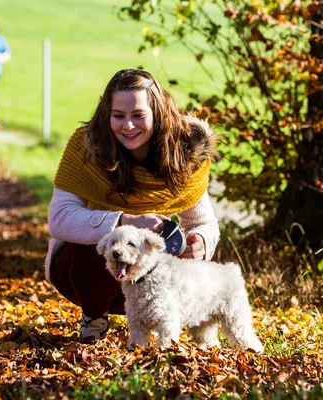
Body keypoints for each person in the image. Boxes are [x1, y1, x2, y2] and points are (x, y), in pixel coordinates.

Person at [44, 69, 221, 342]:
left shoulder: (185, 155)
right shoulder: (85, 147)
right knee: (95, 249)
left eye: (138, 115)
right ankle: (94, 319)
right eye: (119, 116)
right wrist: (126, 221)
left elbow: (202, 222)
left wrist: (201, 242)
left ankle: (168, 327)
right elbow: (60, 219)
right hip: (87, 275)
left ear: (157, 114)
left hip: (155, 280)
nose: (128, 126)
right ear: (107, 115)